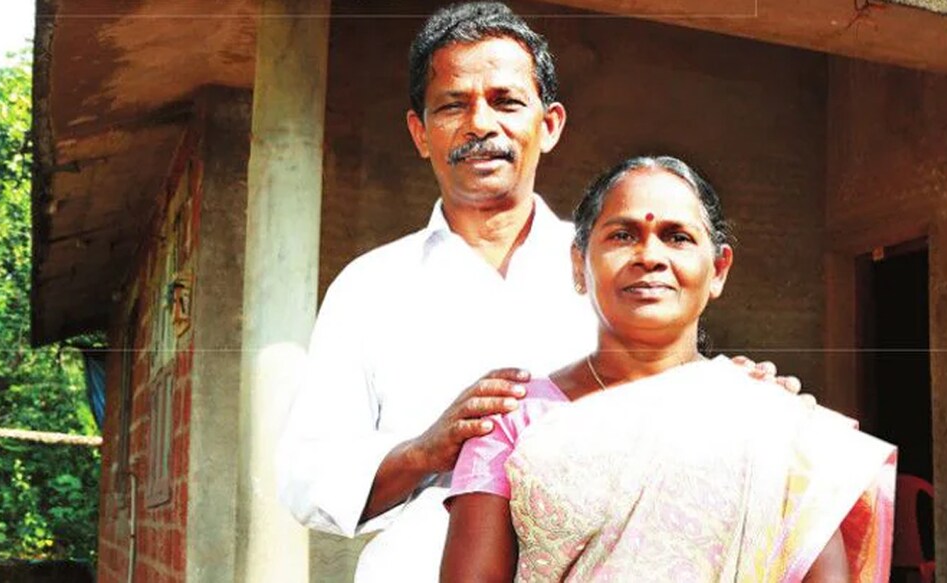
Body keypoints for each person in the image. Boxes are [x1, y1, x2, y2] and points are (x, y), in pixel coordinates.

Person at [278, 4, 798, 581]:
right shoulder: (369, 287)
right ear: (420, 133)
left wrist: (735, 396)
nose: (480, 124)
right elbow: (307, 479)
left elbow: (674, 401)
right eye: (453, 104)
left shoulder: (609, 265)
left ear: (548, 125)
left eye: (505, 101)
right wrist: (425, 451)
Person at [441, 155, 897, 582]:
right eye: (622, 235)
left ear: (718, 270)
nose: (650, 256)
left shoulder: (778, 424)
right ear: (579, 265)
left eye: (677, 237)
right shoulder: (511, 420)